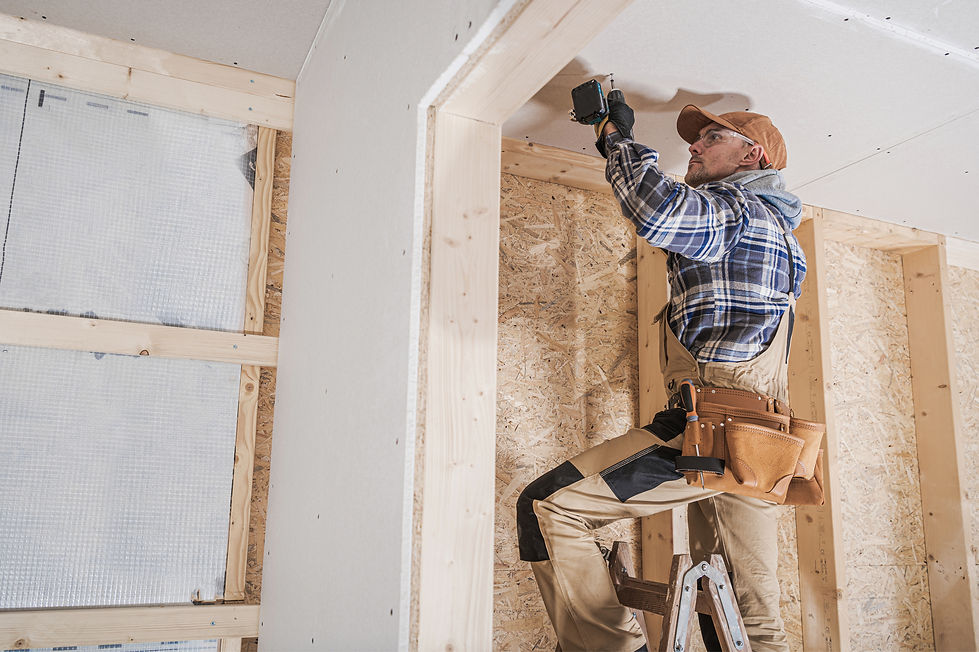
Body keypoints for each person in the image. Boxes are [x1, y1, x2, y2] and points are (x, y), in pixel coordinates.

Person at [516, 94, 808, 652]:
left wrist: (615, 138)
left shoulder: (742, 212)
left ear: (753, 157)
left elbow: (657, 210)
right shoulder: (771, 230)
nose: (693, 147)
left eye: (711, 139)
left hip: (712, 431)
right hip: (760, 445)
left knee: (548, 506)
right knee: (746, 620)